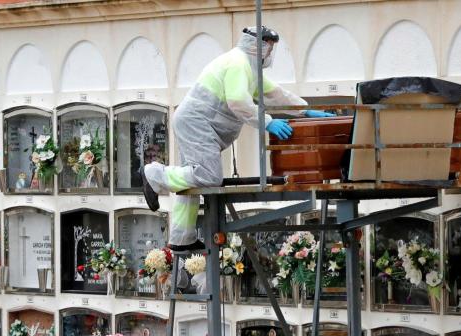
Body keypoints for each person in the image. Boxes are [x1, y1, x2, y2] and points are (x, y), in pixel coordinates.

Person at [141, 26, 331, 250]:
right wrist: (268, 122)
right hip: (197, 123)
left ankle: (182, 238)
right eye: (270, 47)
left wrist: (305, 110)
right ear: (260, 46)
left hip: (198, 125)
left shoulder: (249, 69)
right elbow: (238, 102)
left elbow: (275, 94)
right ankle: (153, 173)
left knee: (189, 179)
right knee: (208, 176)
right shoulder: (238, 64)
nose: (271, 53)